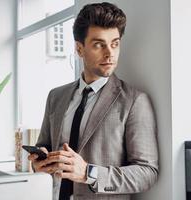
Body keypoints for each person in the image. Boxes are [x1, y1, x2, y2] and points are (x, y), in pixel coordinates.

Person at [28, 2, 159, 200]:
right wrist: (38, 163)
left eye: (115, 43)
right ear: (80, 49)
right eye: (99, 44)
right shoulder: (56, 97)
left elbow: (147, 173)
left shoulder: (134, 101)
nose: (110, 53)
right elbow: (44, 148)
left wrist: (88, 173)